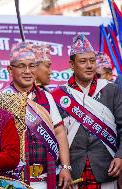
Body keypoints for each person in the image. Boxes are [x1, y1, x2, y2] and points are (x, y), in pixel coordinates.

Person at [51, 34, 122, 189]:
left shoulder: (111, 90)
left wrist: (120, 156)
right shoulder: (58, 94)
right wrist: (64, 167)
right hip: (72, 172)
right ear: (72, 64)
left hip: (107, 169)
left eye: (92, 61)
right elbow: (56, 134)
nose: (89, 66)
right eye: (83, 61)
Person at [3, 41, 72, 189]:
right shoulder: (2, 99)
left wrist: (66, 167)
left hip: (45, 179)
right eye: (21, 66)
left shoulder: (46, 98)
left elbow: (59, 132)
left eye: (32, 65)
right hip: (14, 179)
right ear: (10, 69)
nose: (28, 71)